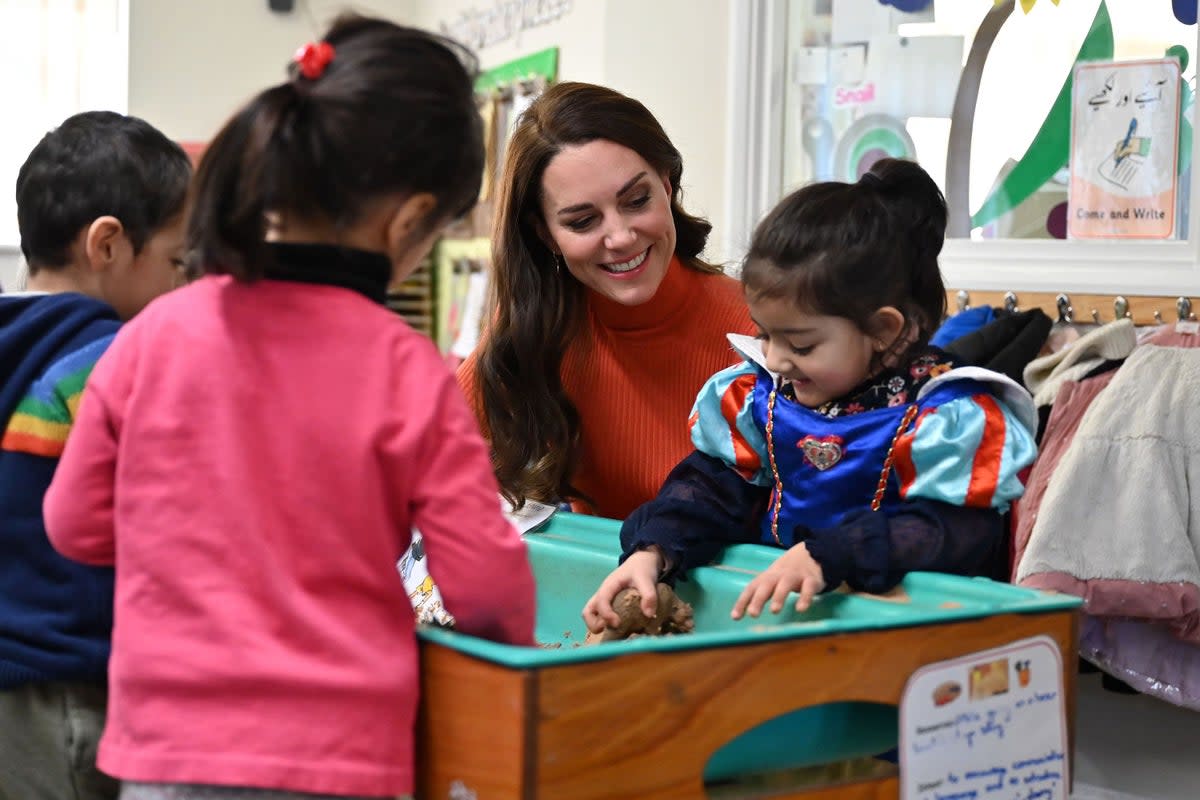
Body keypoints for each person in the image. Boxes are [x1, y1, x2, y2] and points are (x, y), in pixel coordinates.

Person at [44, 15, 535, 800]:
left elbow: (73, 523)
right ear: (410, 221)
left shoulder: (151, 336)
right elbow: (483, 582)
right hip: (340, 757)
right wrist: (515, 648)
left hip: (164, 754)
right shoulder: (405, 366)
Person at [583, 159, 1038, 631]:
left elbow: (955, 535)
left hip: (909, 639)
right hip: (788, 622)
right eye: (765, 335)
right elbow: (712, 489)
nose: (776, 360)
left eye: (800, 345)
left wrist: (833, 553)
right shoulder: (762, 399)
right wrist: (652, 550)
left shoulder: (944, 416)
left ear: (884, 330)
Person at [0, 110, 190, 800]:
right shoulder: (115, 362)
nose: (180, 286)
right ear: (107, 244)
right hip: (77, 686)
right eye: (175, 261)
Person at [458, 81, 754, 520]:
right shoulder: (537, 329)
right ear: (546, 235)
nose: (620, 237)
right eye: (582, 221)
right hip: (598, 584)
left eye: (637, 200)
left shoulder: (758, 331)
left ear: (667, 187)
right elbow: (413, 458)